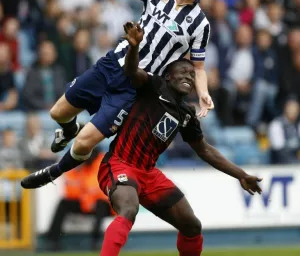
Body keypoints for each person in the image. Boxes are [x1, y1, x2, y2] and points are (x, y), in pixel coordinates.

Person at [22, 23, 263, 256]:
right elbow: (130, 71)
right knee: (129, 209)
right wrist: (134, 47)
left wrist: (240, 174)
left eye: (192, 73)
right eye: (183, 71)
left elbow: (205, 150)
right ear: (168, 76)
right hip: (118, 164)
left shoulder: (187, 115)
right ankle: (59, 159)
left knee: (191, 225)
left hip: (149, 174)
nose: (189, 75)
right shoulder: (153, 86)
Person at [19, 0, 214, 188]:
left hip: (135, 86)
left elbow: (199, 68)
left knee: (83, 143)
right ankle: (70, 128)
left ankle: (53, 172)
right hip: (111, 65)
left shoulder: (200, 24)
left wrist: (203, 92)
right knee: (58, 113)